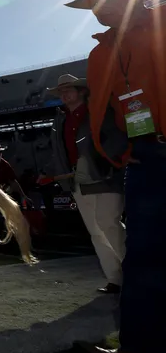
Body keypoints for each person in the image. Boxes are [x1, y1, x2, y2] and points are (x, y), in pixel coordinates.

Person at [66, 0, 166, 353]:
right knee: (142, 258)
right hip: (144, 159)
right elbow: (103, 112)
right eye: (92, 3)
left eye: (103, 0)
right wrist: (122, 150)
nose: (95, 11)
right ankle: (135, 352)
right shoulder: (99, 53)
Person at [40, 73, 126, 294]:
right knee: (96, 232)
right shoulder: (59, 120)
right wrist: (48, 172)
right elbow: (58, 152)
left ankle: (136, 271)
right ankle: (115, 279)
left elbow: (116, 138)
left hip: (103, 176)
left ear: (81, 91)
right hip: (77, 181)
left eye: (69, 89)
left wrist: (100, 162)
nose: (64, 94)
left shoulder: (97, 110)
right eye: (61, 91)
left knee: (108, 222)